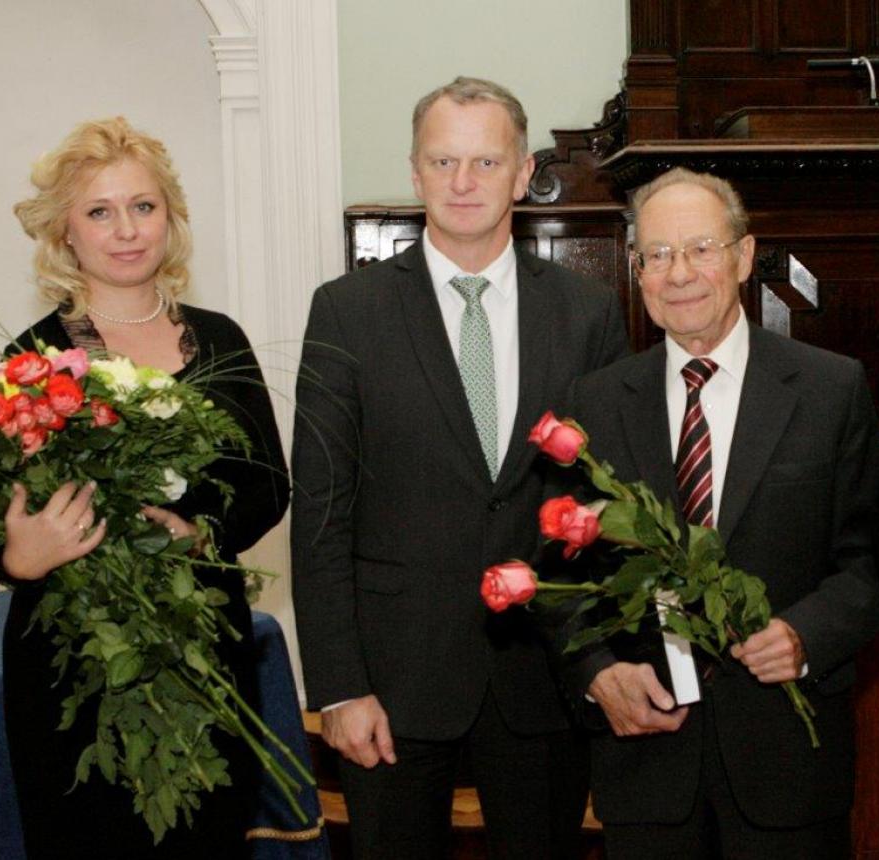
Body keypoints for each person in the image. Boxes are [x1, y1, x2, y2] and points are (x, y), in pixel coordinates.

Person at [290, 77, 628, 859]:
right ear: (415, 173)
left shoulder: (587, 313)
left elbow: (605, 509)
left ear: (522, 173)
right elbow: (322, 513)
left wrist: (600, 661)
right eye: (443, 161)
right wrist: (340, 686)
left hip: (541, 682)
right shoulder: (347, 311)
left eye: (485, 161)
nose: (463, 182)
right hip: (393, 686)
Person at [553, 168, 879, 858]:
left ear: (743, 255)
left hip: (788, 765)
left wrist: (805, 635)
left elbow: (874, 565)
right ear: (637, 270)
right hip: (647, 764)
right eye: (657, 254)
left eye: (701, 248)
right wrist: (596, 671)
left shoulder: (830, 389)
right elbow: (559, 575)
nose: (679, 273)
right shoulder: (594, 403)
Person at [1, 117, 290, 858]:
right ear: (65, 231)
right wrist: (20, 557)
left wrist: (202, 535)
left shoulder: (221, 340)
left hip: (208, 655)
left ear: (171, 217)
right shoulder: (32, 359)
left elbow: (267, 487)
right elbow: (2, 522)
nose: (126, 230)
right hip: (74, 671)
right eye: (100, 211)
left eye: (144, 206)